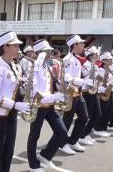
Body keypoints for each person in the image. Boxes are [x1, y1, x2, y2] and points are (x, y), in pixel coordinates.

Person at [0, 31, 31, 172]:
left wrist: (25, 87)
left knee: (8, 151)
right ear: (5, 47)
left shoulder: (14, 65)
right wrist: (15, 104)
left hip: (12, 114)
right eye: (15, 45)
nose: (19, 48)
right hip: (0, 116)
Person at [27, 39, 68, 172]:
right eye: (47, 51)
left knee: (62, 133)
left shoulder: (47, 66)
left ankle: (45, 155)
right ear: (40, 53)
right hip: (38, 106)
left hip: (49, 106)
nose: (50, 54)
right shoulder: (34, 67)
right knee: (34, 136)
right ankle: (33, 165)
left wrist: (61, 85)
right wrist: (53, 97)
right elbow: (35, 92)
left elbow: (50, 84)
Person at [59, 35, 92, 155]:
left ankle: (72, 141)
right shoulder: (68, 59)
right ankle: (61, 143)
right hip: (70, 94)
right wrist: (84, 81)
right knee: (67, 120)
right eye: (81, 43)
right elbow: (68, 78)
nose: (83, 45)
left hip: (78, 93)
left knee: (84, 117)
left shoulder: (77, 59)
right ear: (74, 45)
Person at [78, 46, 102, 145]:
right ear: (90, 56)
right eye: (96, 54)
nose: (97, 56)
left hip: (94, 92)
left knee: (97, 115)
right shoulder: (85, 65)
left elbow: (96, 79)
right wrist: (93, 66)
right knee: (88, 116)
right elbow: (89, 77)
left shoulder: (95, 65)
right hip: (87, 92)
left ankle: (86, 133)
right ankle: (81, 136)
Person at [93, 52, 113, 137]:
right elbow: (99, 82)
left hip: (110, 92)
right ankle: (98, 129)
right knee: (103, 111)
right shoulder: (101, 70)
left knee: (109, 111)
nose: (111, 60)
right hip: (103, 93)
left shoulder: (109, 69)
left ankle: (103, 128)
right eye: (109, 59)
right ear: (104, 61)